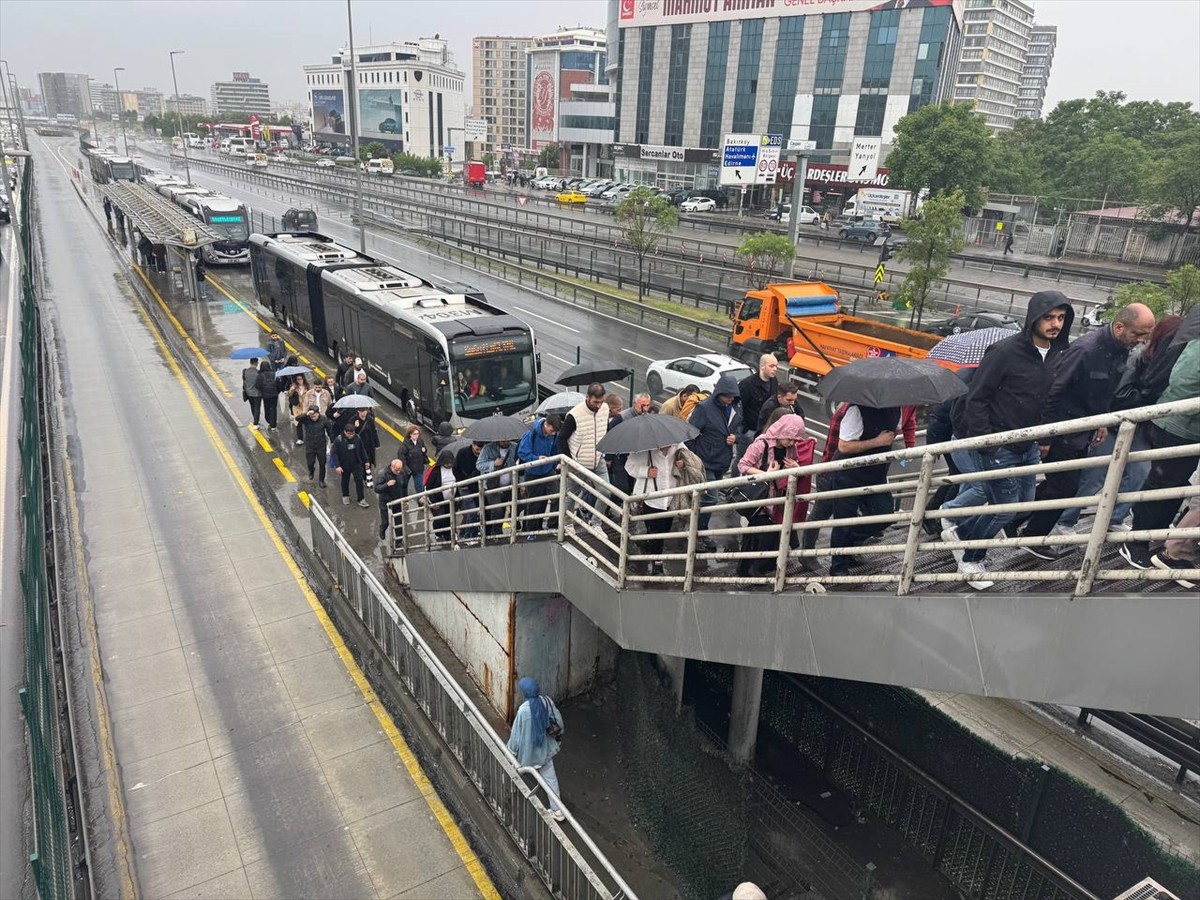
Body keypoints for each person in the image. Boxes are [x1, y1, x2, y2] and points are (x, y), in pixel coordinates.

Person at [946, 291, 1074, 589]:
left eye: (1061, 318)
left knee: (1024, 504)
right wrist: (987, 442)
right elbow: (976, 399)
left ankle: (963, 531)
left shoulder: (1057, 353)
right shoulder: (1004, 352)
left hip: (1027, 442)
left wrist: (1042, 434)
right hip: (999, 444)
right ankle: (970, 558)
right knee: (1004, 508)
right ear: (1034, 318)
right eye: (1049, 317)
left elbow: (1044, 399)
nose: (1055, 324)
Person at [1011, 303, 1155, 556]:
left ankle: (1013, 522)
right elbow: (1054, 392)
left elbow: (1104, 390)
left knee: (1059, 484)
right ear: (1120, 327)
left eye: (1145, 335)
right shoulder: (1086, 350)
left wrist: (1100, 419)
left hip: (1082, 429)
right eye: (1138, 334)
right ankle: (1032, 536)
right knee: (1065, 487)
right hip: (1063, 428)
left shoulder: (1120, 348)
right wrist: (1045, 436)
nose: (1142, 341)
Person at [1055, 315, 1185, 535]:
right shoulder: (1139, 357)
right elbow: (1119, 394)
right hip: (1116, 422)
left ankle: (1114, 518)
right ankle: (1066, 520)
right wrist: (1149, 395)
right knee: (1095, 475)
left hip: (1141, 426)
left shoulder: (1173, 363)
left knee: (1141, 473)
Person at [1121, 339, 1200, 569]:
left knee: (1177, 484)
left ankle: (1156, 532)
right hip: (1177, 424)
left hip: (1191, 429)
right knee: (1161, 482)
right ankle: (1135, 541)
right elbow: (1182, 381)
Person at [826, 405, 901, 579]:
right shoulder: (855, 409)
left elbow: (894, 432)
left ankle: (849, 545)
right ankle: (838, 567)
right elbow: (844, 446)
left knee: (885, 515)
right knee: (843, 522)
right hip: (848, 474)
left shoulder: (896, 408)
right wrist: (877, 442)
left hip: (876, 473)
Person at [737, 413, 817, 576]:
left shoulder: (791, 448)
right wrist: (767, 474)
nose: (793, 442)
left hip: (777, 498)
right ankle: (755, 569)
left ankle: (754, 568)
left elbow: (794, 471)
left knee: (765, 535)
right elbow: (743, 465)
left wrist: (796, 467)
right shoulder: (761, 444)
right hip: (759, 497)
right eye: (790, 438)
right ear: (781, 431)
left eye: (795, 440)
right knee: (764, 534)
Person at [686, 373, 743, 548]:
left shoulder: (735, 407)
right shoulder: (703, 408)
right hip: (705, 461)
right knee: (711, 498)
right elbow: (690, 434)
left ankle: (700, 532)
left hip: (722, 461)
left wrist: (736, 437)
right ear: (719, 392)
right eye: (727, 396)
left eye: (732, 396)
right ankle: (695, 532)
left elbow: (741, 427)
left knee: (709, 500)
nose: (729, 399)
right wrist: (696, 458)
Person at [507, 677, 565, 821]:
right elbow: (559, 722)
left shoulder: (523, 711)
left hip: (527, 753)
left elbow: (516, 736)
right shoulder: (546, 701)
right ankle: (558, 811)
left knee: (517, 770)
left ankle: (512, 789)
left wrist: (510, 752)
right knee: (551, 779)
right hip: (544, 751)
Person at [624, 443, 686, 574]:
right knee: (656, 533)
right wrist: (646, 471)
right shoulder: (644, 450)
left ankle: (649, 544)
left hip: (671, 497)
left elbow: (690, 459)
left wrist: (683, 463)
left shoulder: (678, 446)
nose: (668, 444)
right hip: (652, 499)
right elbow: (629, 467)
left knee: (664, 530)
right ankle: (657, 563)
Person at [558, 383, 611, 528]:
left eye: (601, 402)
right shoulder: (574, 415)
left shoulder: (605, 409)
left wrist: (604, 452)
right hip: (578, 462)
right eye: (595, 402)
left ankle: (596, 523)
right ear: (587, 398)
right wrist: (569, 462)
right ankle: (567, 525)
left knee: (606, 492)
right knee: (570, 496)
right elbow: (561, 438)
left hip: (598, 459)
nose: (598, 406)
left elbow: (605, 429)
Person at [518, 414, 562, 535]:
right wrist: (536, 458)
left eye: (555, 432)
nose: (553, 434)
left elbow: (555, 450)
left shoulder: (554, 434)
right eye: (551, 431)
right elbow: (522, 453)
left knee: (558, 495)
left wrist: (553, 463)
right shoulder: (531, 433)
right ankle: (531, 529)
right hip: (533, 472)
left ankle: (552, 525)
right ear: (546, 424)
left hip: (548, 470)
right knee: (534, 503)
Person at [607, 393, 653, 495]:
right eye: (642, 405)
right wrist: (609, 457)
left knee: (631, 486)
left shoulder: (648, 418)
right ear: (634, 404)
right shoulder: (622, 417)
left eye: (647, 405)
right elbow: (610, 436)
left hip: (637, 457)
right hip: (621, 457)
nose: (645, 408)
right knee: (622, 488)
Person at [738, 353, 779, 456]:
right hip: (750, 430)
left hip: (766, 430)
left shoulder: (774, 381)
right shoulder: (747, 384)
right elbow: (739, 408)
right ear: (762, 366)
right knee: (743, 459)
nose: (775, 369)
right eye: (771, 366)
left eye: (776, 366)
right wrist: (745, 430)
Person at [477, 438, 519, 535]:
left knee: (503, 509)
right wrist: (493, 463)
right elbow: (479, 465)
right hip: (492, 485)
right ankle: (495, 532)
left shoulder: (514, 447)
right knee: (497, 510)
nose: (505, 443)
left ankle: (498, 530)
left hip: (509, 484)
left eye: (507, 440)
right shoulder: (488, 448)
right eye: (503, 441)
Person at [329, 422, 370, 507]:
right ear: (345, 432)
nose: (351, 435)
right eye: (349, 434)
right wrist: (338, 466)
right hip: (344, 465)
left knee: (359, 481)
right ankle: (345, 495)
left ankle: (361, 499)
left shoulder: (358, 438)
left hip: (356, 464)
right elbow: (334, 453)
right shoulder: (339, 440)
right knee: (345, 480)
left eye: (352, 433)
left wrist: (366, 460)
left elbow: (362, 450)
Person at [423, 450, 459, 544]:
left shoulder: (455, 468)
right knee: (440, 519)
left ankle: (448, 533)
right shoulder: (435, 471)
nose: (449, 465)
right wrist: (432, 502)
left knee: (450, 517)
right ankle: (438, 533)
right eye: (447, 463)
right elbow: (429, 487)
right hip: (438, 501)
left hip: (452, 500)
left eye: (450, 463)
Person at [374, 459, 408, 541]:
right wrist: (387, 484)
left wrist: (406, 499)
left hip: (397, 500)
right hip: (385, 501)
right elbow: (377, 488)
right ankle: (382, 530)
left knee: (399, 522)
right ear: (392, 467)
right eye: (397, 470)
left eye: (400, 470)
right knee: (385, 521)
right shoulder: (383, 474)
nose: (398, 472)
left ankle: (399, 541)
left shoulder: (402, 473)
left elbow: (404, 487)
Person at [301, 405, 329, 487]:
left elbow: (329, 429)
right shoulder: (306, 419)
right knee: (310, 462)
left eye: (315, 415)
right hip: (310, 445)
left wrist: (332, 441)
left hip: (321, 445)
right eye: (311, 416)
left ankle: (321, 480)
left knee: (322, 463)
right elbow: (297, 419)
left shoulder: (324, 419)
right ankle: (311, 470)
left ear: (318, 414)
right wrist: (306, 414)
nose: (313, 417)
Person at [399, 426, 428, 497]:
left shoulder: (420, 441)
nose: (416, 436)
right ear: (410, 435)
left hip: (418, 468)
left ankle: (421, 501)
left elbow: (424, 449)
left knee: (419, 486)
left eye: (417, 434)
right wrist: (406, 469)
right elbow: (401, 458)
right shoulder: (404, 445)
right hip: (408, 469)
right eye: (414, 434)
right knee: (404, 485)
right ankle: (404, 500)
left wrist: (424, 450)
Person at [352, 408, 380, 480]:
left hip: (368, 445)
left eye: (365, 411)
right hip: (358, 446)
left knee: (368, 462)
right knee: (359, 462)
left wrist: (377, 444)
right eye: (361, 411)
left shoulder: (370, 419)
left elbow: (374, 431)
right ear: (358, 411)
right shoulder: (354, 419)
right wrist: (355, 427)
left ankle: (366, 478)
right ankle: (359, 477)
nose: (363, 413)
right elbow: (348, 432)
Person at [256, 359, 281, 431]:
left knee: (267, 408)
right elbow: (279, 383)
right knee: (273, 408)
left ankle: (268, 420)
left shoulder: (260, 375)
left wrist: (262, 391)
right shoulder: (274, 373)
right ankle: (273, 425)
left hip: (265, 395)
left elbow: (257, 385)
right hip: (274, 394)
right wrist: (277, 391)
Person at [286, 374, 310, 446]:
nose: (300, 381)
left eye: (301, 379)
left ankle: (308, 437)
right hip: (297, 407)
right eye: (298, 379)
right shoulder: (293, 387)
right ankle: (300, 438)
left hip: (305, 407)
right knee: (298, 423)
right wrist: (292, 390)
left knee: (307, 422)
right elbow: (288, 395)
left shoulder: (307, 387)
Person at [242, 357, 263, 427]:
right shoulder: (258, 373)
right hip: (257, 393)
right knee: (257, 408)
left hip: (249, 392)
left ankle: (255, 419)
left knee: (252, 406)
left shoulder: (245, 371)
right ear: (257, 363)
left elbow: (244, 381)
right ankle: (256, 422)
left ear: (250, 363)